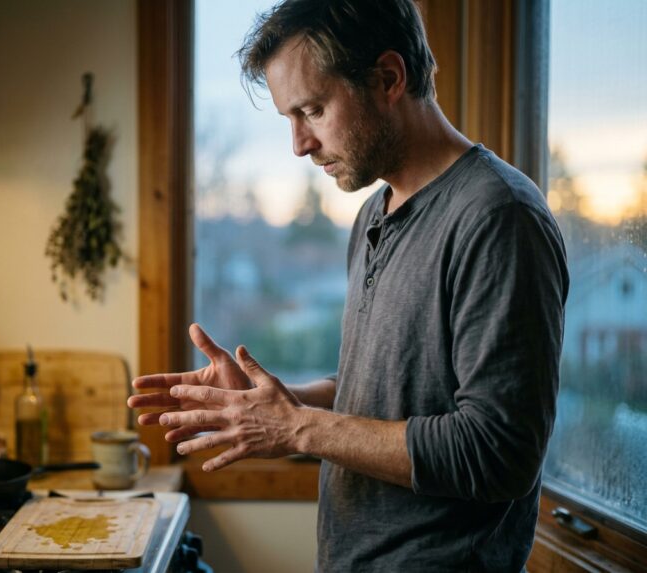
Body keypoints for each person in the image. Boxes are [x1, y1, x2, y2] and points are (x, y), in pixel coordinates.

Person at [127, 0, 569, 570]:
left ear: (388, 78)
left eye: (312, 110)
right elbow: (380, 394)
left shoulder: (498, 216)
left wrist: (296, 428)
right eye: (289, 118)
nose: (299, 144)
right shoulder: (373, 215)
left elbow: (497, 453)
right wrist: (271, 404)